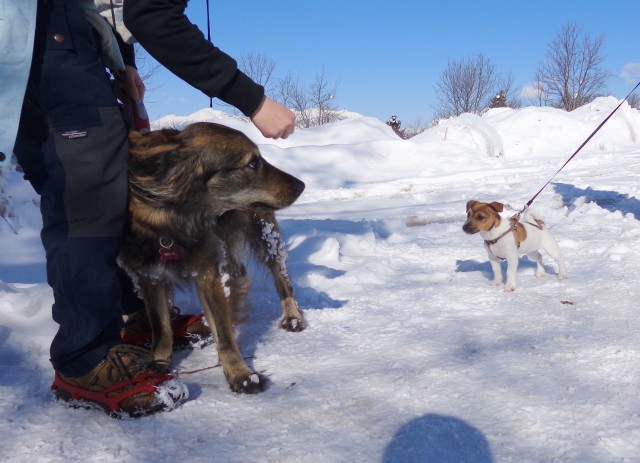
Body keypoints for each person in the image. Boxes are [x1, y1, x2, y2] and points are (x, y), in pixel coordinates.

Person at [0, 0, 296, 418]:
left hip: (58, 38)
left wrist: (120, 58)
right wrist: (252, 100)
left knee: (108, 184)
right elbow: (152, 14)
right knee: (85, 199)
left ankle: (136, 319)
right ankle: (84, 360)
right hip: (45, 45)